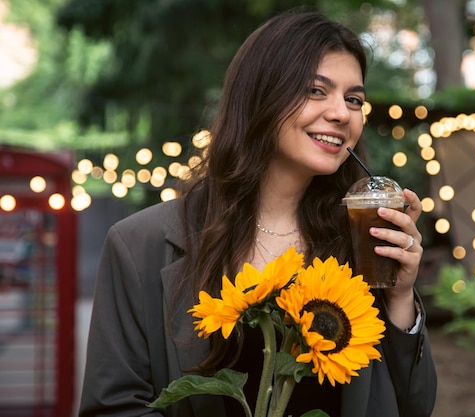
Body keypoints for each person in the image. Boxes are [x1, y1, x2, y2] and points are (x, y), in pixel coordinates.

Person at [79, 9, 437, 417]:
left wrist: (401, 297)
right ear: (260, 96)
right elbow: (113, 408)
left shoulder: (363, 241)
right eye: (316, 91)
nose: (342, 113)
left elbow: (413, 407)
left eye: (353, 99)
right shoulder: (137, 243)